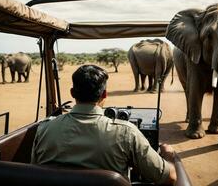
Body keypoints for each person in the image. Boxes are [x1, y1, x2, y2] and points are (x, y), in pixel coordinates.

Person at [31, 64, 177, 185]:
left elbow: (35, 171)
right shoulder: (127, 132)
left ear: (72, 93)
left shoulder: (44, 129)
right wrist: (168, 154)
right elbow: (168, 178)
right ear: (104, 94)